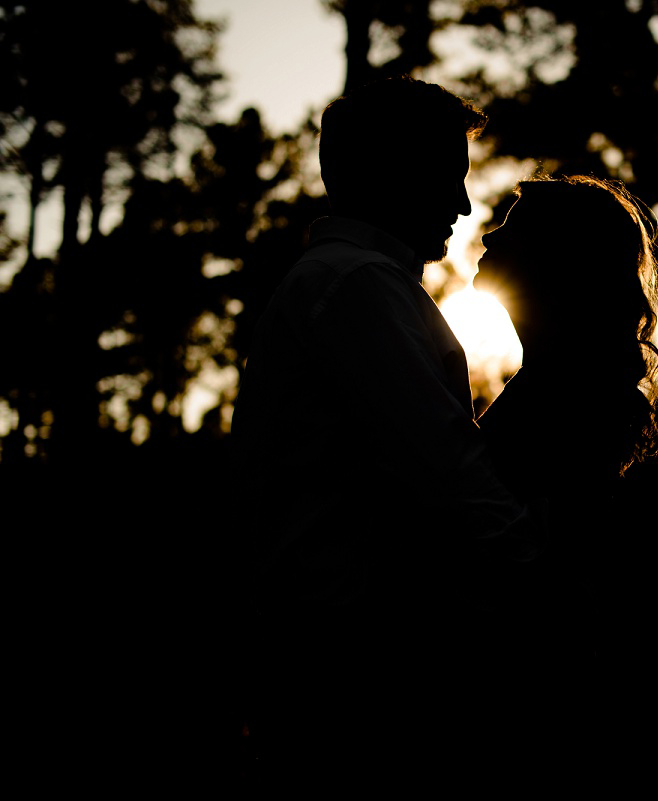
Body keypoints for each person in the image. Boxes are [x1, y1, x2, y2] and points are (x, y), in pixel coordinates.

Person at [232, 76, 538, 787]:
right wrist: (547, 582)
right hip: (349, 672)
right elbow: (448, 479)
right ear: (392, 173)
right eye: (446, 178)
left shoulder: (340, 281)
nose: (463, 206)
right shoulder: (359, 286)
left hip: (330, 661)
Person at [471, 175, 658, 778]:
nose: (488, 233)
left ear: (557, 258)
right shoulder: (552, 386)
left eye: (512, 226)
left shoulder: (570, 400)